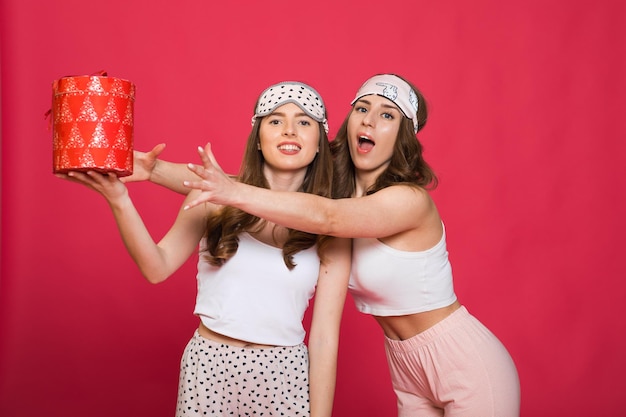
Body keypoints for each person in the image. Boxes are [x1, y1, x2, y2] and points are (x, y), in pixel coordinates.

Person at [163, 74, 520, 417]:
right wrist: (148, 170)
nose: (369, 120)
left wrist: (232, 192)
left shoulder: (407, 200)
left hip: (462, 359)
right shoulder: (338, 191)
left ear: (403, 135)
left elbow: (323, 217)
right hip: (406, 366)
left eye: (386, 114)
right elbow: (236, 188)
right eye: (362, 108)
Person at [56, 81, 351, 417]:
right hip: (209, 366)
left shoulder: (333, 225)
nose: (289, 130)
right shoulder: (211, 198)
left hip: (284, 373)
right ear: (257, 139)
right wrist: (120, 200)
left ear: (318, 145)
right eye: (274, 120)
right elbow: (157, 267)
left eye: (304, 121)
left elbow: (325, 337)